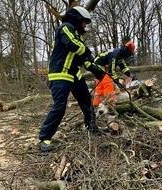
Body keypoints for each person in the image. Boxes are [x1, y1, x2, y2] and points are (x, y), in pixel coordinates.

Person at [38, 6, 105, 152]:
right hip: (60, 73)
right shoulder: (66, 28)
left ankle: (92, 129)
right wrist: (87, 52)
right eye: (84, 22)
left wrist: (94, 68)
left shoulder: (78, 35)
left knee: (86, 101)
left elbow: (82, 58)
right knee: (59, 106)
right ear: (77, 18)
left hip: (74, 73)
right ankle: (44, 139)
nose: (85, 25)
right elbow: (73, 45)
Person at [92, 41, 137, 107]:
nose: (129, 55)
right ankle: (110, 105)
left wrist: (130, 75)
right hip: (97, 65)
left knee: (100, 84)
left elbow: (123, 67)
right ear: (127, 51)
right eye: (130, 53)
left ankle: (97, 104)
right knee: (108, 83)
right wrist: (118, 81)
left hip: (101, 65)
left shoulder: (120, 55)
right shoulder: (115, 55)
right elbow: (111, 71)